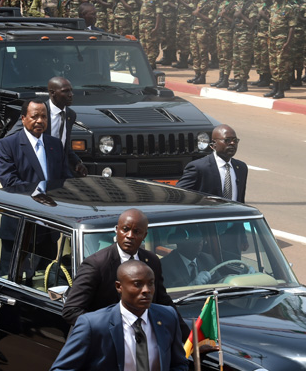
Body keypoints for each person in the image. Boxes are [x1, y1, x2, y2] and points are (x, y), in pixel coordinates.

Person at [62, 208, 190, 339]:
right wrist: (109, 330)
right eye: (125, 229)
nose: (130, 235)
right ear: (117, 230)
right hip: (99, 343)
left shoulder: (151, 261)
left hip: (140, 343)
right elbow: (72, 310)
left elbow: (163, 302)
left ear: (144, 236)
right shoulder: (96, 264)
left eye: (136, 231)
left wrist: (190, 339)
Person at [51, 261, 190, 371]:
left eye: (150, 284)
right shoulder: (93, 325)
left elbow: (179, 364)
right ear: (119, 287)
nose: (146, 290)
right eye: (138, 284)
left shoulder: (168, 317)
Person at [7, 78, 88, 177]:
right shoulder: (37, 112)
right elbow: (10, 139)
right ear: (52, 93)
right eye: (65, 91)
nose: (71, 94)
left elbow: (63, 145)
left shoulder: (70, 115)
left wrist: (77, 162)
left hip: (59, 169)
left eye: (71, 90)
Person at [0, 100, 73, 187]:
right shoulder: (8, 145)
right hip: (24, 198)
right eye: (34, 117)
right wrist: (39, 193)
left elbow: (66, 177)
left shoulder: (55, 144)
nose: (40, 121)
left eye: (44, 117)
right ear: (23, 119)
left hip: (55, 198)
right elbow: (9, 181)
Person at [176, 124, 248, 203]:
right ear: (213, 144)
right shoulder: (199, 168)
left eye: (235, 140)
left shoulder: (241, 168)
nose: (232, 143)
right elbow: (179, 194)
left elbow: (240, 200)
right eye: (227, 140)